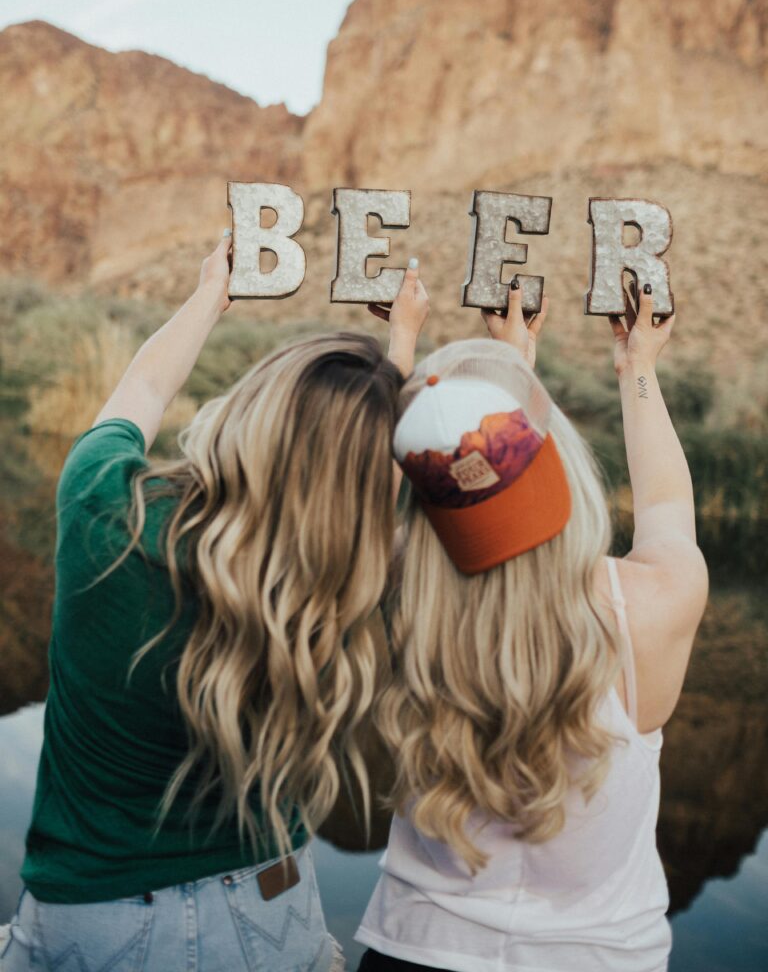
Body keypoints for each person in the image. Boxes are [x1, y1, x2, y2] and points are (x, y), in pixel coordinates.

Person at [0, 233, 429, 972]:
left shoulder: (107, 506)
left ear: (250, 408)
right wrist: (402, 351)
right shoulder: (344, 583)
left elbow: (141, 391)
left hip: (96, 920)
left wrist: (209, 296)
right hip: (274, 910)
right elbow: (370, 488)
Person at [356, 282, 708, 972]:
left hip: (417, 953)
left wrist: (405, 349)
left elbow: (377, 493)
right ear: (563, 465)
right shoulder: (654, 602)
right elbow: (666, 502)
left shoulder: (398, 594)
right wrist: (637, 367)